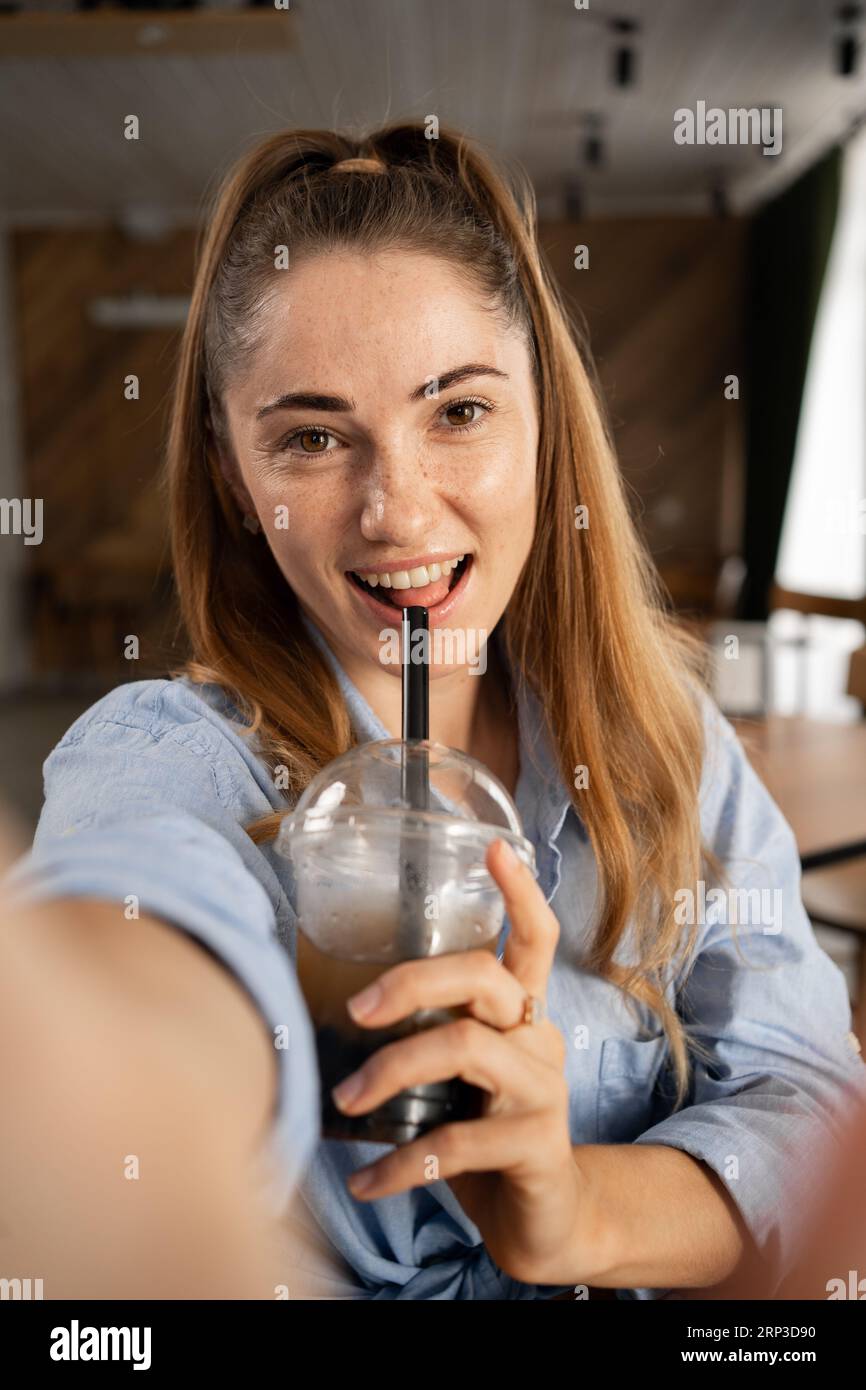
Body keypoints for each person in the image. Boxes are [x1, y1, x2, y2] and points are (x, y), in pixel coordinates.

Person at [5, 121, 866, 1301]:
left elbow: (805, 1094)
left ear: (541, 420)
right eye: (312, 438)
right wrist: (98, 1065)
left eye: (456, 412)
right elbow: (144, 957)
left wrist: (576, 1213)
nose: (396, 512)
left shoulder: (667, 745)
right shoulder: (172, 757)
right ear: (231, 474)